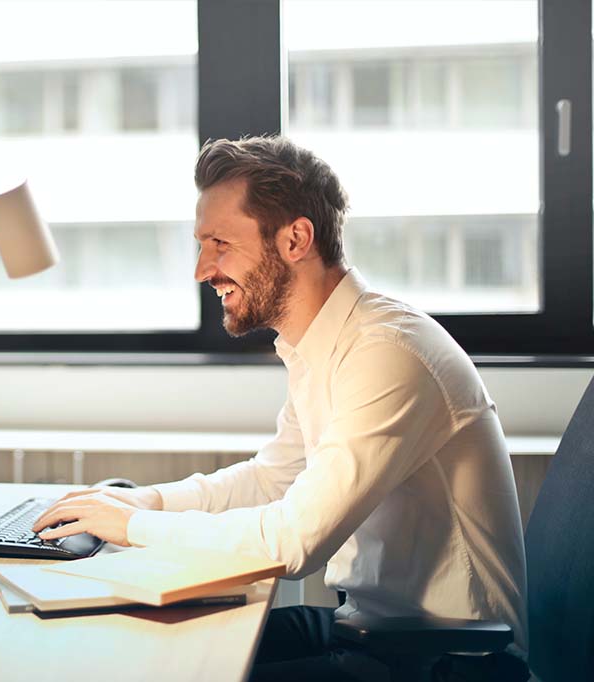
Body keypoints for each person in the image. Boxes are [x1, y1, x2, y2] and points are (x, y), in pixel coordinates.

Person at [33, 136, 529, 681]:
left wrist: (136, 525)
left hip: (447, 660)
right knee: (141, 643)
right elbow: (273, 480)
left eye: (220, 243)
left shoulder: (388, 353)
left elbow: (295, 541)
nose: (203, 269)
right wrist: (144, 501)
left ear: (296, 239)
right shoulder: (323, 345)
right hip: (372, 631)